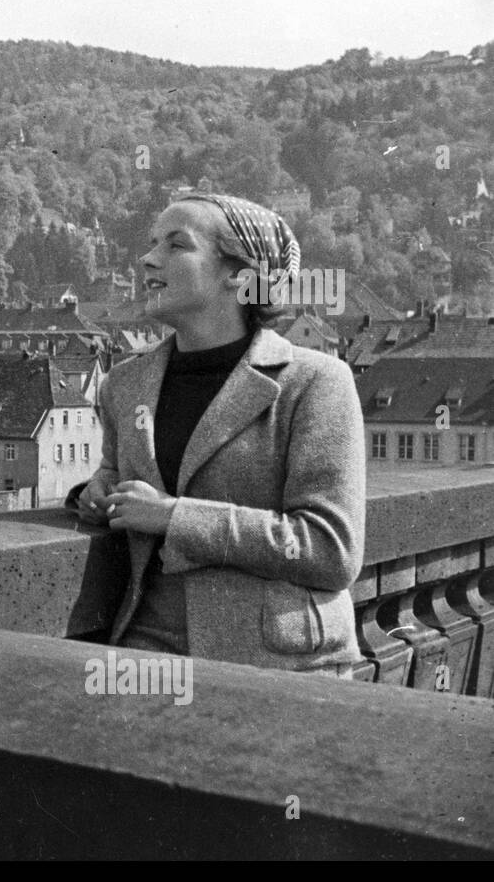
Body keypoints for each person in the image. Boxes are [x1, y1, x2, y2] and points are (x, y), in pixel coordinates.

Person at [67, 193, 365, 675]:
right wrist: (96, 494)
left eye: (176, 245)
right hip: (147, 651)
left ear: (240, 276)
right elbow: (114, 476)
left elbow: (330, 549)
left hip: (281, 665)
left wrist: (174, 518)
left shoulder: (314, 383)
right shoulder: (124, 383)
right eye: (150, 244)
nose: (147, 259)